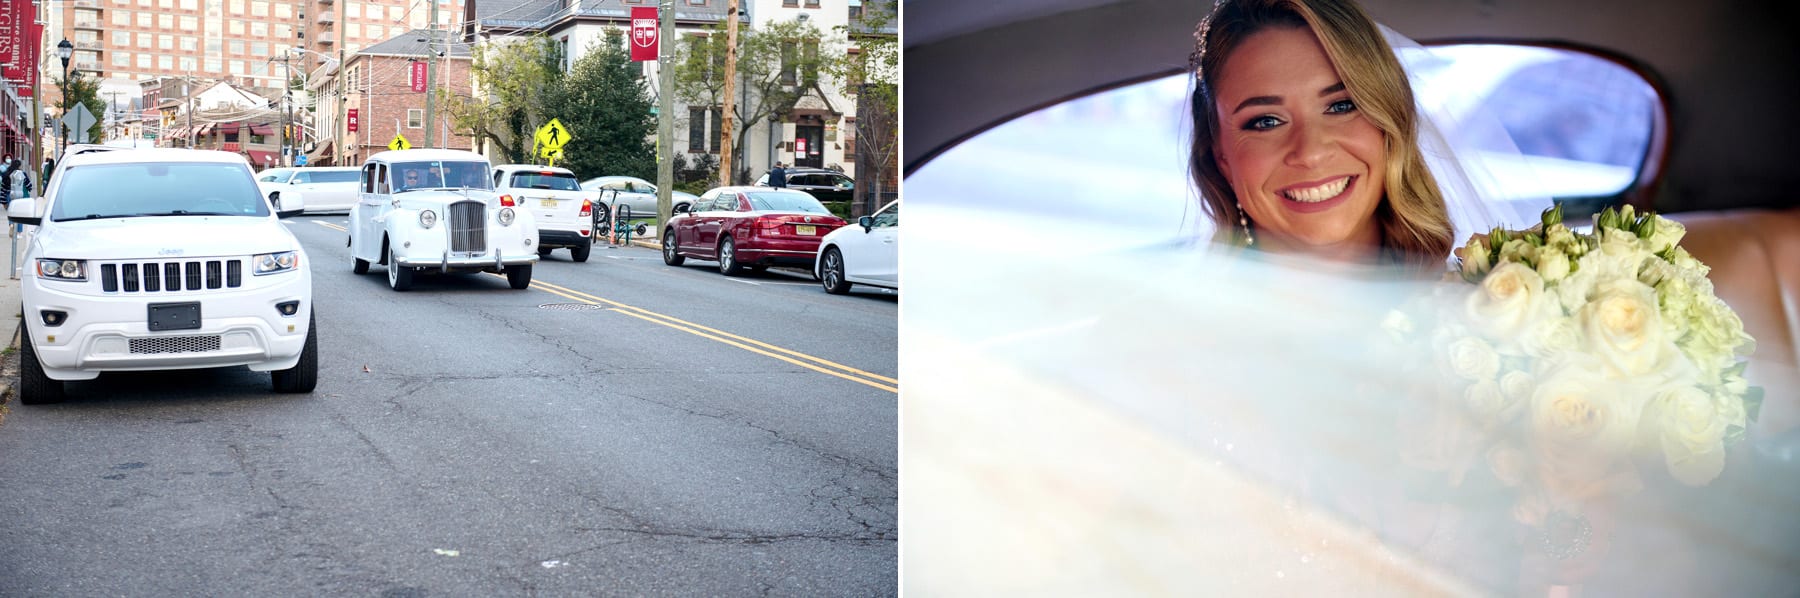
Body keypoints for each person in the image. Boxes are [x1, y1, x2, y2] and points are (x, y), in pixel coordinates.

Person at [1188, 0, 1453, 274]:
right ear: (1221, 158)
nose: (1311, 153)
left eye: (1341, 106)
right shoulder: (1172, 315)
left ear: (1393, 121)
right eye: (1266, 121)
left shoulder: (1477, 301)